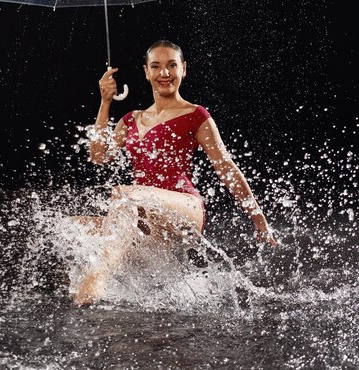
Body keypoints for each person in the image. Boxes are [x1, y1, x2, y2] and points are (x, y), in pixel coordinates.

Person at [73, 39, 277, 305]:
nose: (164, 73)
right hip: (143, 215)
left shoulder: (196, 114)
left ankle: (94, 283)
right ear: (146, 72)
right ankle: (121, 280)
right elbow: (99, 156)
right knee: (74, 226)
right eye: (156, 66)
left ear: (184, 69)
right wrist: (105, 103)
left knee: (125, 196)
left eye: (172, 65)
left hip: (184, 209)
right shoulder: (131, 119)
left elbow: (226, 167)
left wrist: (258, 219)